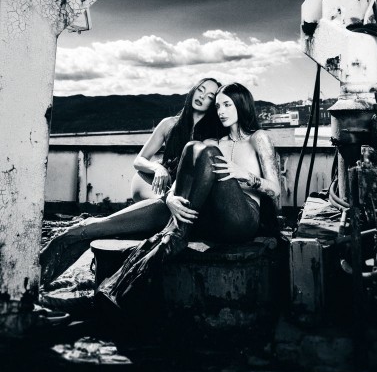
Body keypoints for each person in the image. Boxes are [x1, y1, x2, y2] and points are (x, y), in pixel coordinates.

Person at [40, 83, 280, 306]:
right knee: (192, 147)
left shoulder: (258, 138)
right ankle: (33, 281)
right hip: (206, 217)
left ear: (241, 104)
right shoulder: (212, 141)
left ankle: (175, 234)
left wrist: (245, 175)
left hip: (242, 218)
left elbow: (275, 189)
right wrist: (172, 197)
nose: (221, 111)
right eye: (217, 106)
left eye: (227, 104)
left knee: (206, 152)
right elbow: (188, 176)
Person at [131, 78, 221, 201]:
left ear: (213, 104)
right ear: (193, 91)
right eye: (200, 90)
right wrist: (158, 168)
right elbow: (139, 160)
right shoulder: (168, 124)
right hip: (157, 184)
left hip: (188, 191)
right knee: (161, 203)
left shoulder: (213, 134)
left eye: (210, 96)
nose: (202, 96)